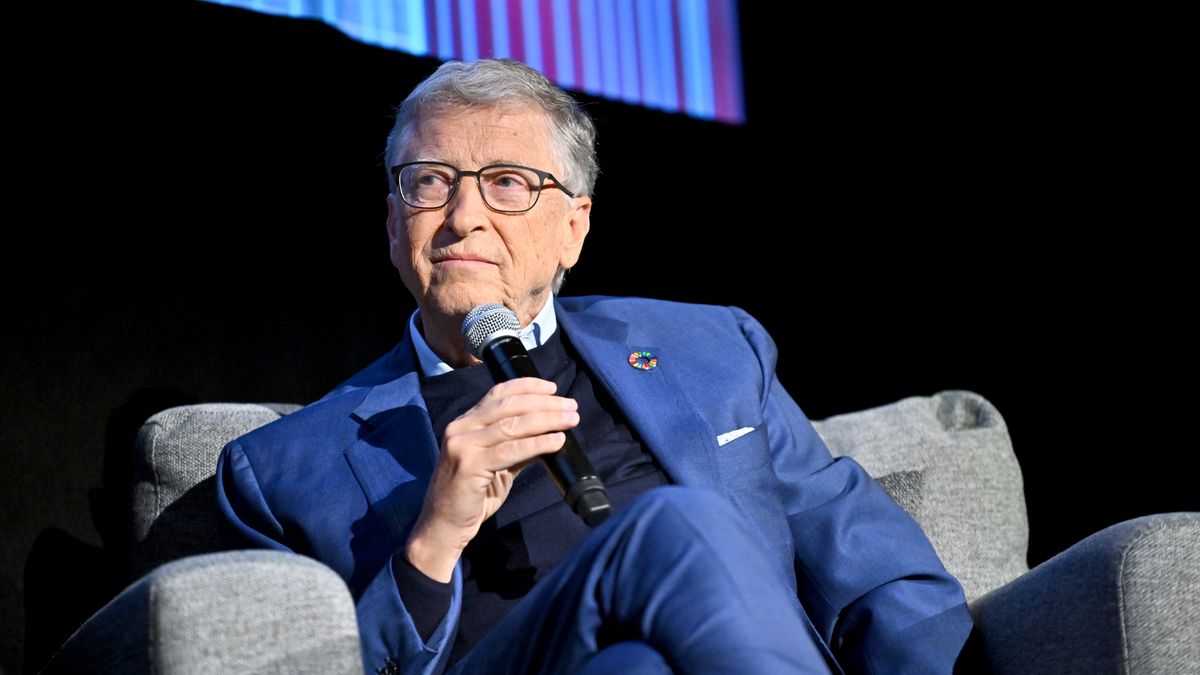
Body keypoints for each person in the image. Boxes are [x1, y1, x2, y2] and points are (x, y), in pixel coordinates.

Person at [215, 58, 973, 674]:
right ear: (393, 223)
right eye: (430, 181)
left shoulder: (712, 349)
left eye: (507, 183)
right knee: (671, 524)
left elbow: (872, 568)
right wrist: (432, 540)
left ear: (573, 226)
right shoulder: (280, 471)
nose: (463, 216)